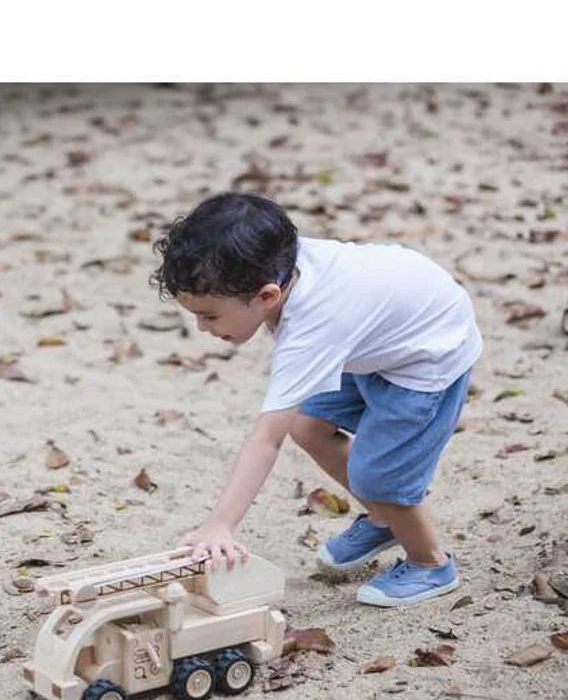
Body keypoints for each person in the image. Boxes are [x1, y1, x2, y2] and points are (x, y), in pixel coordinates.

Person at [149, 192, 482, 607]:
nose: (201, 327)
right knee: (309, 427)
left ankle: (430, 564)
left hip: (429, 356)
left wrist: (219, 525)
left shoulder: (312, 326)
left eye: (210, 315)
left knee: (380, 476)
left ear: (268, 296)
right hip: (378, 338)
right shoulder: (277, 262)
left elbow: (266, 438)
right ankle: (383, 520)